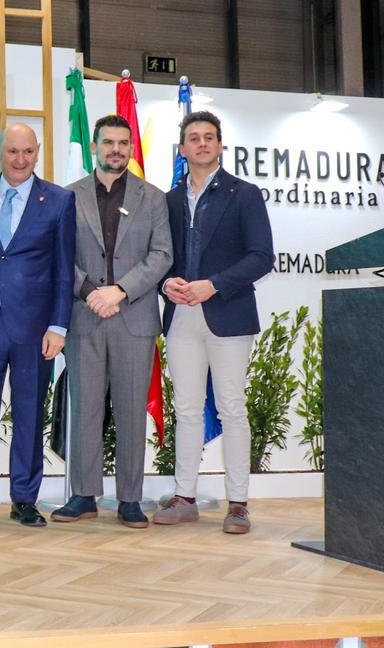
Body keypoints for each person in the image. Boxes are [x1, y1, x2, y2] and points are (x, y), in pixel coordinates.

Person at [154, 110, 273, 534]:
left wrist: (213, 285)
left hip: (228, 314)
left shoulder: (244, 194)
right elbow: (161, 258)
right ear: (183, 149)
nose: (202, 143)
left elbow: (262, 257)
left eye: (209, 137)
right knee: (185, 409)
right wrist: (166, 284)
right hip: (181, 316)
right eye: (194, 138)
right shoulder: (167, 200)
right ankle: (185, 496)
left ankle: (238, 503)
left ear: (220, 145)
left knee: (231, 408)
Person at [51, 115, 172, 528]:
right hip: (85, 316)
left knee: (130, 411)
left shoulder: (153, 198)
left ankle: (130, 499)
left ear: (130, 148)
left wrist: (119, 291)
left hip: (133, 317)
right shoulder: (67, 196)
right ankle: (83, 495)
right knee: (84, 409)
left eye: (123, 143)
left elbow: (161, 255)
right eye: (108, 142)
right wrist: (90, 293)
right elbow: (59, 256)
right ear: (95, 147)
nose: (116, 149)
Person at [0, 123, 75, 528]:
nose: (21, 160)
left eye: (28, 152)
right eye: (13, 152)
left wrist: (59, 326)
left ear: (38, 151)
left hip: (34, 327)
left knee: (28, 411)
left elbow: (64, 269)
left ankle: (25, 498)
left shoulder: (59, 200)